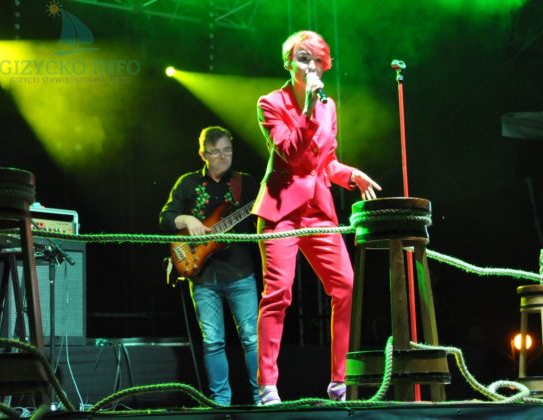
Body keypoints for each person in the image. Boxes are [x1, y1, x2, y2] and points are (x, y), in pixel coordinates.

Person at [251, 30, 382, 405]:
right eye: (303, 58)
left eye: (317, 60)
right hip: (280, 210)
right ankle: (267, 386)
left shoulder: (329, 106)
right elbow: (290, 154)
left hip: (317, 210)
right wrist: (307, 109)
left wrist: (350, 175)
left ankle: (340, 382)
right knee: (278, 294)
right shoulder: (270, 103)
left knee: (346, 286)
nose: (310, 66)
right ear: (288, 62)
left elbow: (326, 162)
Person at [160, 126, 260, 405]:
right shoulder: (188, 183)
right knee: (213, 341)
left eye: (227, 150)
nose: (223, 157)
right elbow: (165, 217)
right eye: (215, 152)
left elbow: (265, 215)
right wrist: (186, 220)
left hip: (240, 272)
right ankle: (220, 402)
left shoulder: (246, 184)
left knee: (252, 338)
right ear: (202, 154)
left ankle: (261, 399)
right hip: (202, 275)